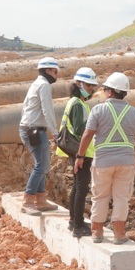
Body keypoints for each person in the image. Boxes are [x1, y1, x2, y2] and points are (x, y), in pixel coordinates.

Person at [75, 72, 135, 244]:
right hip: (126, 162)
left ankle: (97, 233)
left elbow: (87, 134)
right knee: (122, 197)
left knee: (100, 197)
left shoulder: (98, 110)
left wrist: (80, 156)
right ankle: (119, 234)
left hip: (102, 162)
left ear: (109, 92)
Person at [55, 67, 99, 238]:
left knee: (77, 186)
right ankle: (78, 226)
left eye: (92, 86)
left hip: (77, 151)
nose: (90, 89)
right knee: (81, 187)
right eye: (88, 86)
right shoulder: (78, 104)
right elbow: (81, 129)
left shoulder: (74, 103)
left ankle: (74, 221)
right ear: (79, 83)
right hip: (82, 152)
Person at [19, 56, 60, 215]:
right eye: (55, 71)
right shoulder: (43, 86)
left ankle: (40, 199)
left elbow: (25, 107)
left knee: (42, 164)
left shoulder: (36, 84)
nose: (57, 75)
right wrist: (55, 133)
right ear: (49, 70)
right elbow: (47, 110)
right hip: (34, 130)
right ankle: (28, 200)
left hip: (30, 128)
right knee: (41, 165)